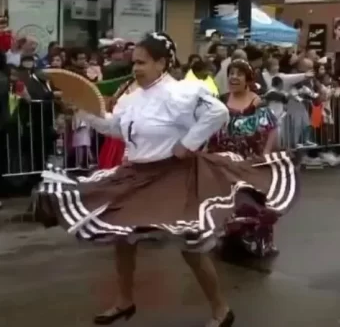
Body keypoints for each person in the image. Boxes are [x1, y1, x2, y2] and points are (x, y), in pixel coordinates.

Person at [31, 32, 298, 327]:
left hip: (175, 175)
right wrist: (83, 111)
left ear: (161, 63)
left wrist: (189, 143)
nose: (135, 68)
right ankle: (124, 301)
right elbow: (117, 129)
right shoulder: (131, 97)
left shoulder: (180, 93)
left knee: (191, 247)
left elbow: (218, 112)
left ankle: (221, 310)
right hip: (137, 175)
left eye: (142, 62)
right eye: (134, 62)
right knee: (123, 237)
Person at [207, 59, 283, 257]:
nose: (233, 77)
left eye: (239, 74)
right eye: (231, 73)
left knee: (252, 200)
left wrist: (266, 152)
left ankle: (258, 241)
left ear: (248, 79)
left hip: (251, 159)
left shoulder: (258, 102)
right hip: (224, 160)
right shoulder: (220, 101)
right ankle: (229, 238)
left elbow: (272, 128)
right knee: (227, 200)